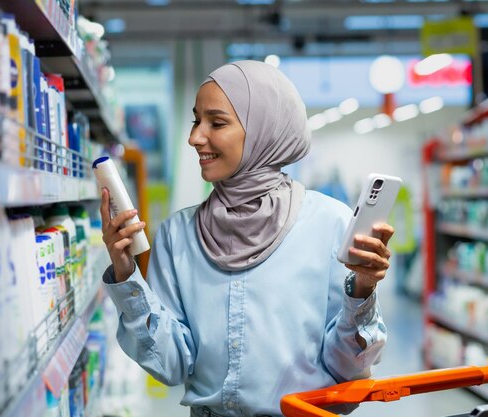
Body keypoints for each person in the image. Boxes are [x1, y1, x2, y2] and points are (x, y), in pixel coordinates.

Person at [100, 60, 394, 417]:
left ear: (263, 131)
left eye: (217, 122)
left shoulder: (330, 223)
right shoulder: (177, 235)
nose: (195, 137)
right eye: (196, 120)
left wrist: (361, 288)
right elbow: (171, 365)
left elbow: (346, 369)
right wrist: (126, 275)